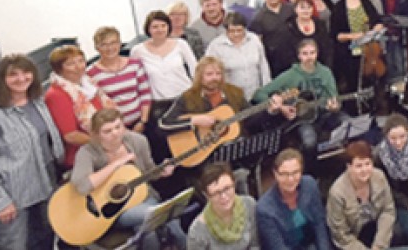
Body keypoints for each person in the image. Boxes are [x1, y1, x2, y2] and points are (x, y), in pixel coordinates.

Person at [0, 54, 63, 250]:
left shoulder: (37, 102)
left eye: (26, 73)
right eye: (13, 75)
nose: (21, 78)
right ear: (2, 79)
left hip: (45, 184)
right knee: (14, 244)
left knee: (45, 238)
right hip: (13, 195)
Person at [70, 108, 186, 250]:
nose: (115, 133)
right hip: (114, 210)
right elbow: (82, 186)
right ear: (96, 134)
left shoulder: (138, 141)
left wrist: (161, 171)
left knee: (150, 231)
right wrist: (117, 163)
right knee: (159, 215)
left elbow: (149, 172)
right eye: (107, 131)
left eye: (118, 127)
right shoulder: (87, 152)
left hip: (144, 197)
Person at [252, 40, 343, 159]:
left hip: (324, 114)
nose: (309, 57)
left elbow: (334, 98)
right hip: (303, 118)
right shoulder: (290, 75)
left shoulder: (325, 72)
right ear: (299, 56)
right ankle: (311, 172)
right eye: (305, 54)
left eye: (312, 53)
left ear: (317, 53)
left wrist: (335, 107)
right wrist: (280, 106)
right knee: (309, 141)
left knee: (349, 123)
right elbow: (258, 94)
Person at [44, 44, 115, 169]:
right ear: (59, 69)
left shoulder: (88, 83)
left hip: (107, 144)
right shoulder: (56, 94)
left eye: (81, 61)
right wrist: (105, 143)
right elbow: (71, 135)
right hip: (84, 155)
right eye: (71, 63)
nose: (79, 67)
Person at [256, 148, 332, 250]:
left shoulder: (310, 184)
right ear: (275, 174)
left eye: (295, 172)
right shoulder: (264, 208)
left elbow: (319, 224)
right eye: (284, 174)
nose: (290, 179)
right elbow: (278, 246)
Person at [326, 141, 395, 250]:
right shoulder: (337, 193)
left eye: (367, 164)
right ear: (349, 167)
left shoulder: (379, 177)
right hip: (352, 238)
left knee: (398, 232)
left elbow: (388, 211)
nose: (364, 170)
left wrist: (379, 245)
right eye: (358, 166)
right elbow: (341, 234)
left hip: (375, 229)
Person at [373, 114, 408, 244]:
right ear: (386, 136)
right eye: (392, 138)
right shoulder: (378, 155)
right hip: (395, 201)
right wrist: (407, 203)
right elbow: (384, 188)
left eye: (402, 137)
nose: (398, 142)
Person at [88, 25, 153, 131]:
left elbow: (145, 94)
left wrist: (143, 121)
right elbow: (96, 105)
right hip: (113, 128)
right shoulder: (91, 73)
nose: (110, 48)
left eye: (113, 43)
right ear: (97, 48)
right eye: (104, 44)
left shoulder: (135, 64)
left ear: (120, 44)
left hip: (141, 123)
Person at [329, 0, 383, 94]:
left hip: (369, 49)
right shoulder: (338, 7)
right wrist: (353, 36)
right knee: (352, 82)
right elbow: (335, 35)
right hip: (348, 51)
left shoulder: (366, 2)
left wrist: (376, 29)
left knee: (372, 79)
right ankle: (353, 108)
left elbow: (378, 21)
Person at [187, 162, 260, 249]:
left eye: (227, 188)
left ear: (234, 184)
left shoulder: (249, 204)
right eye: (216, 193)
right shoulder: (197, 231)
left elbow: (255, 244)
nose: (223, 196)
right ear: (207, 195)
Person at [132, 10, 199, 100]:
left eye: (163, 26)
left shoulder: (181, 44)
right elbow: (135, 79)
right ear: (148, 29)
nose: (160, 30)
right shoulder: (137, 51)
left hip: (186, 96)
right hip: (158, 101)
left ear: (168, 27)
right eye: (155, 27)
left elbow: (196, 70)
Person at [205, 12, 272, 100]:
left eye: (239, 30)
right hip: (232, 96)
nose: (236, 34)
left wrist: (267, 89)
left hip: (256, 92)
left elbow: (263, 66)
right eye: (232, 31)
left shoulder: (254, 39)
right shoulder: (216, 46)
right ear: (226, 30)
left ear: (245, 28)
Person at [272, 0, 334, 80]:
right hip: (296, 74)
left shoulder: (320, 24)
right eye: (302, 7)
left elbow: (327, 49)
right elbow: (285, 55)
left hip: (320, 72)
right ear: (295, 9)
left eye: (309, 7)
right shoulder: (287, 27)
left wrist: (324, 69)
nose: (306, 10)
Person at [249, 0, 296, 81]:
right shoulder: (258, 18)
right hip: (274, 62)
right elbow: (257, 44)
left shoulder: (291, 9)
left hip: (295, 57)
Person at [377, 0, 408, 83]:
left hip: (398, 35)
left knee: (398, 62)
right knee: (386, 63)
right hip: (383, 34)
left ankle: (399, 87)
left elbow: (407, 16)